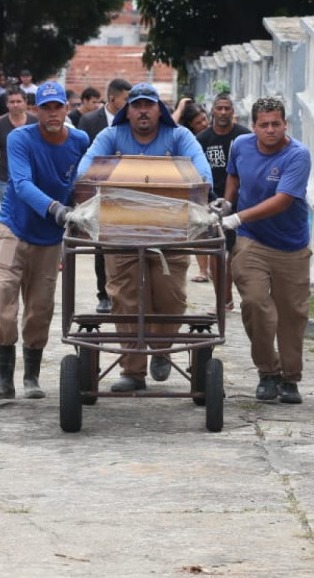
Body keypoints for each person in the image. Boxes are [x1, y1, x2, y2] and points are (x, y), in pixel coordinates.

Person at [76, 82, 213, 392]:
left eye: (148, 105)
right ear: (128, 110)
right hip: (120, 231)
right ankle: (132, 370)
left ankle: (161, 350)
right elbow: (85, 169)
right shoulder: (111, 136)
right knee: (125, 299)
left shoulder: (178, 136)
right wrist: (93, 183)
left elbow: (204, 175)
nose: (142, 111)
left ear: (159, 110)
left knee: (170, 296)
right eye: (136, 105)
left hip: (171, 233)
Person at [0, 82, 90, 400]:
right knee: (2, 292)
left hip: (50, 237)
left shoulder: (80, 141)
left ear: (66, 110)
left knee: (40, 306)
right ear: (36, 111)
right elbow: (21, 183)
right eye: (46, 108)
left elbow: (88, 181)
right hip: (14, 227)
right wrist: (54, 207)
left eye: (58, 107)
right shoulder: (20, 139)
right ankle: (4, 379)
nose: (52, 113)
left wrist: (82, 212)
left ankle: (31, 376)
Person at [219, 96, 312, 404]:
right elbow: (233, 174)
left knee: (291, 315)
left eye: (276, 124)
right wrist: (228, 202)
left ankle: (289, 377)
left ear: (286, 124)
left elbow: (283, 200)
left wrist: (238, 216)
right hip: (251, 240)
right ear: (254, 126)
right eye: (263, 125)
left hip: (290, 245)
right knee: (256, 303)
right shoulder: (241, 145)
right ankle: (267, 372)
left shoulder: (297, 155)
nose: (270, 130)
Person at [73, 78, 131, 314]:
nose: (131, 105)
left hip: (125, 190)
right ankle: (103, 294)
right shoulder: (89, 121)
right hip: (98, 190)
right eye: (127, 99)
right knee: (101, 245)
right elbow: (82, 156)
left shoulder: (130, 122)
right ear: (113, 98)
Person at [196, 93, 250, 309]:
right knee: (217, 253)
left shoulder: (244, 137)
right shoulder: (202, 140)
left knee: (240, 255)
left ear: (233, 111)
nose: (224, 112)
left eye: (227, 108)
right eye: (219, 108)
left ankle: (246, 298)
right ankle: (223, 300)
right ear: (212, 111)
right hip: (212, 204)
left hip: (243, 203)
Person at [178, 101, 212, 283]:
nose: (204, 124)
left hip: (213, 186)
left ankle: (214, 268)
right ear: (190, 124)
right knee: (199, 229)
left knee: (214, 231)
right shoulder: (187, 140)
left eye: (205, 119)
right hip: (193, 188)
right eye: (199, 122)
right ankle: (203, 269)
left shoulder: (213, 134)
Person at [0, 86, 37, 200]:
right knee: (9, 216)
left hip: (32, 180)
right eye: (12, 102)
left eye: (19, 101)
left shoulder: (36, 123)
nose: (15, 105)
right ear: (7, 104)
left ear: (26, 102)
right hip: (5, 180)